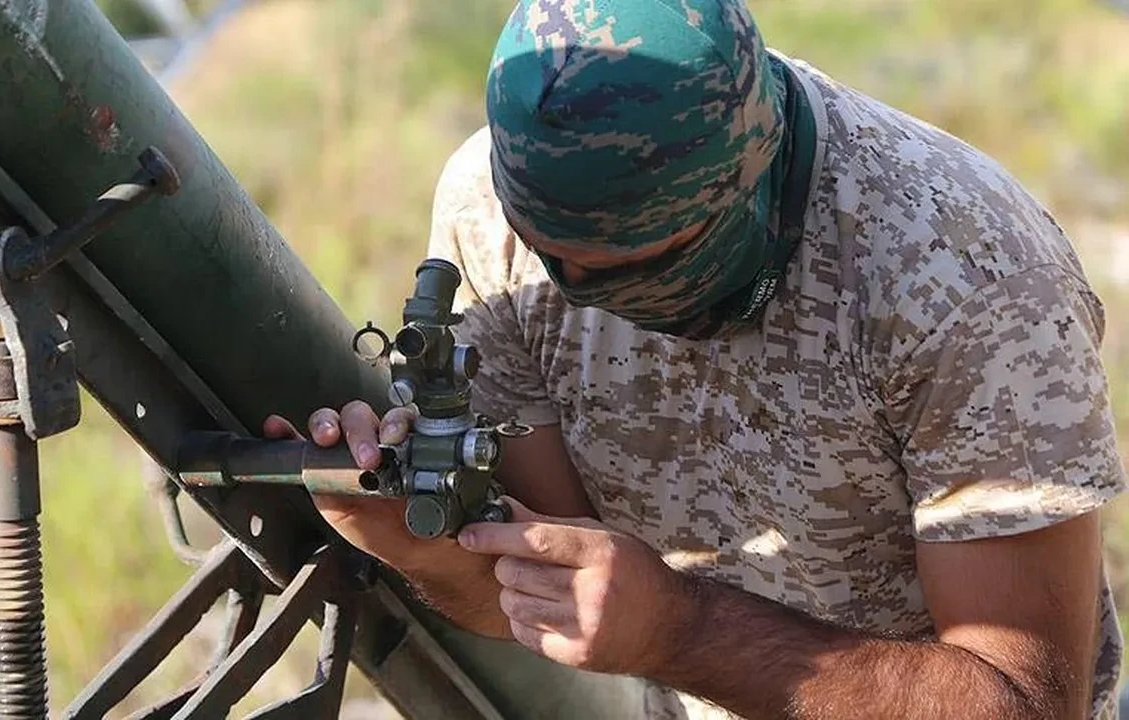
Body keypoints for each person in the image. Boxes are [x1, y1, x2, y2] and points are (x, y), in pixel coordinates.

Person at [263, 0, 1127, 717]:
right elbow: (551, 584)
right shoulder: (488, 215)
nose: (579, 293)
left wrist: (679, 630)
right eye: (554, 259)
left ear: (752, 182)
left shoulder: (966, 281)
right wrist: (426, 548)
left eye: (639, 269)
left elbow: (1026, 703)